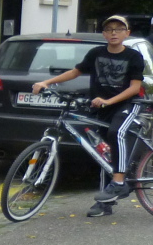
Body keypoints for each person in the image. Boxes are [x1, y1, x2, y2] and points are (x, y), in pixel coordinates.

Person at [32, 15, 146, 217]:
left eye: (119, 29)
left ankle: (119, 183)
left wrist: (109, 101)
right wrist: (47, 83)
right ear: (103, 34)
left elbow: (135, 88)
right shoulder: (96, 53)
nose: (113, 33)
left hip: (128, 104)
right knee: (104, 151)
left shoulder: (134, 57)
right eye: (109, 29)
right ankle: (105, 203)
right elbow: (75, 72)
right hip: (102, 107)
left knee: (117, 132)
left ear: (127, 33)